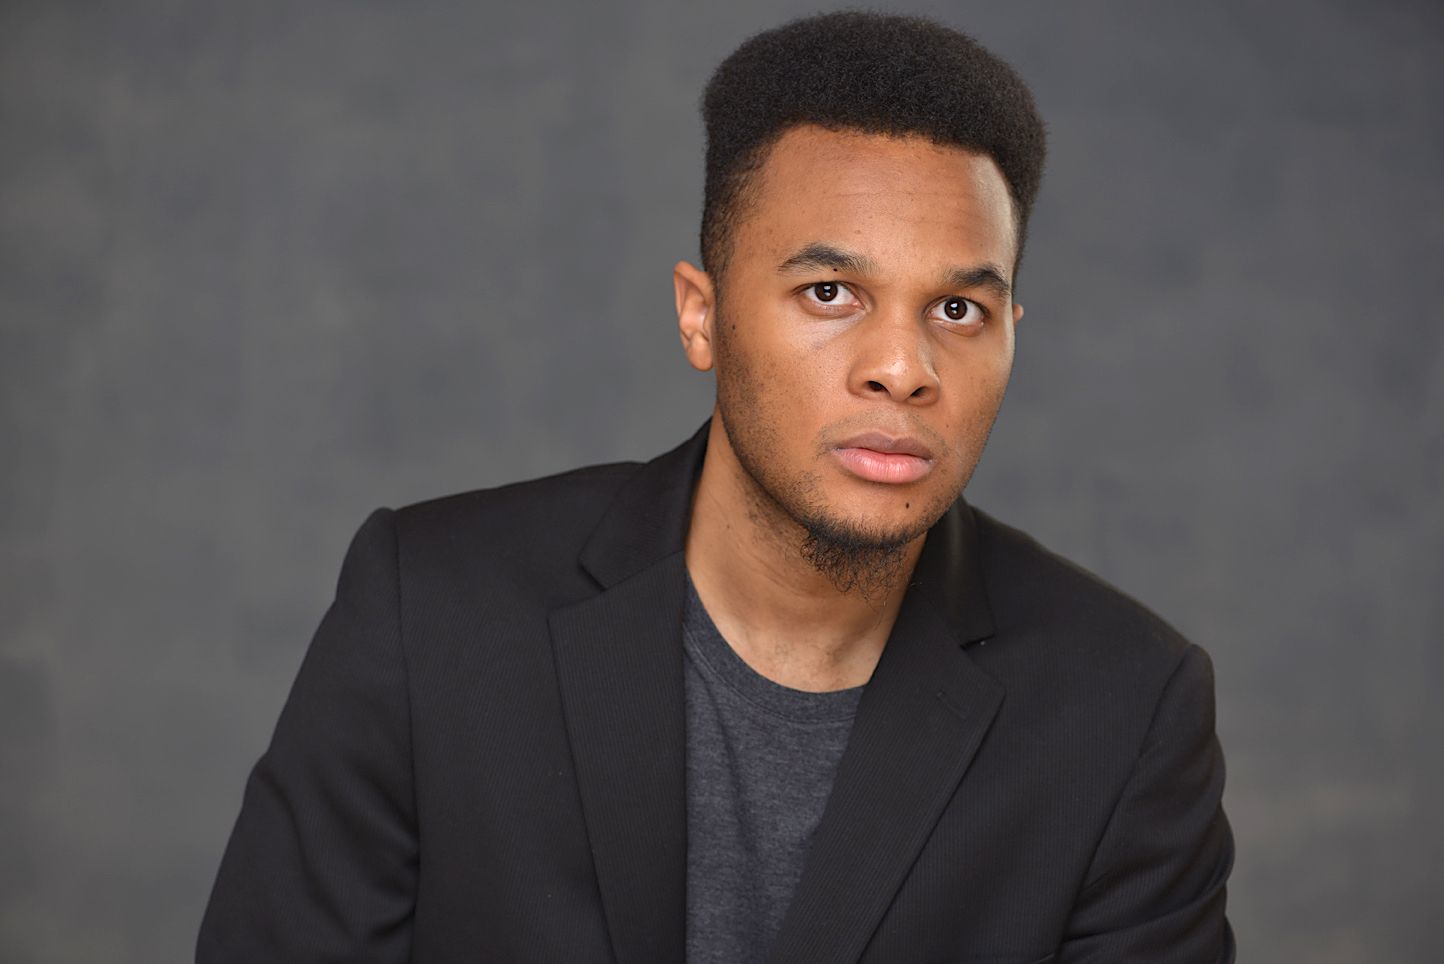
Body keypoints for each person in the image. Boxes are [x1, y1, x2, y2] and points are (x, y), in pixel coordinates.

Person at [198, 11, 1234, 963]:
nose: (902, 367)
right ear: (700, 315)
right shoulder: (430, 612)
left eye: (959, 311)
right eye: (829, 292)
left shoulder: (1126, 711)